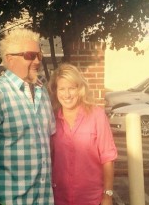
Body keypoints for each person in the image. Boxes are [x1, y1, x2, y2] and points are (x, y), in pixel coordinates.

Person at [0, 28, 56, 205]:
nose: (37, 60)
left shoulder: (42, 91)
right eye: (30, 55)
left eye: (39, 55)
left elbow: (50, 142)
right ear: (10, 59)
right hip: (8, 199)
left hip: (43, 199)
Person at [48, 63, 118, 205]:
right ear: (55, 91)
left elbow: (108, 158)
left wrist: (107, 195)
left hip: (92, 199)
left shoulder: (97, 115)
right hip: (59, 198)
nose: (67, 95)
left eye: (71, 88)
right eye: (62, 89)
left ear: (80, 89)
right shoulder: (51, 118)